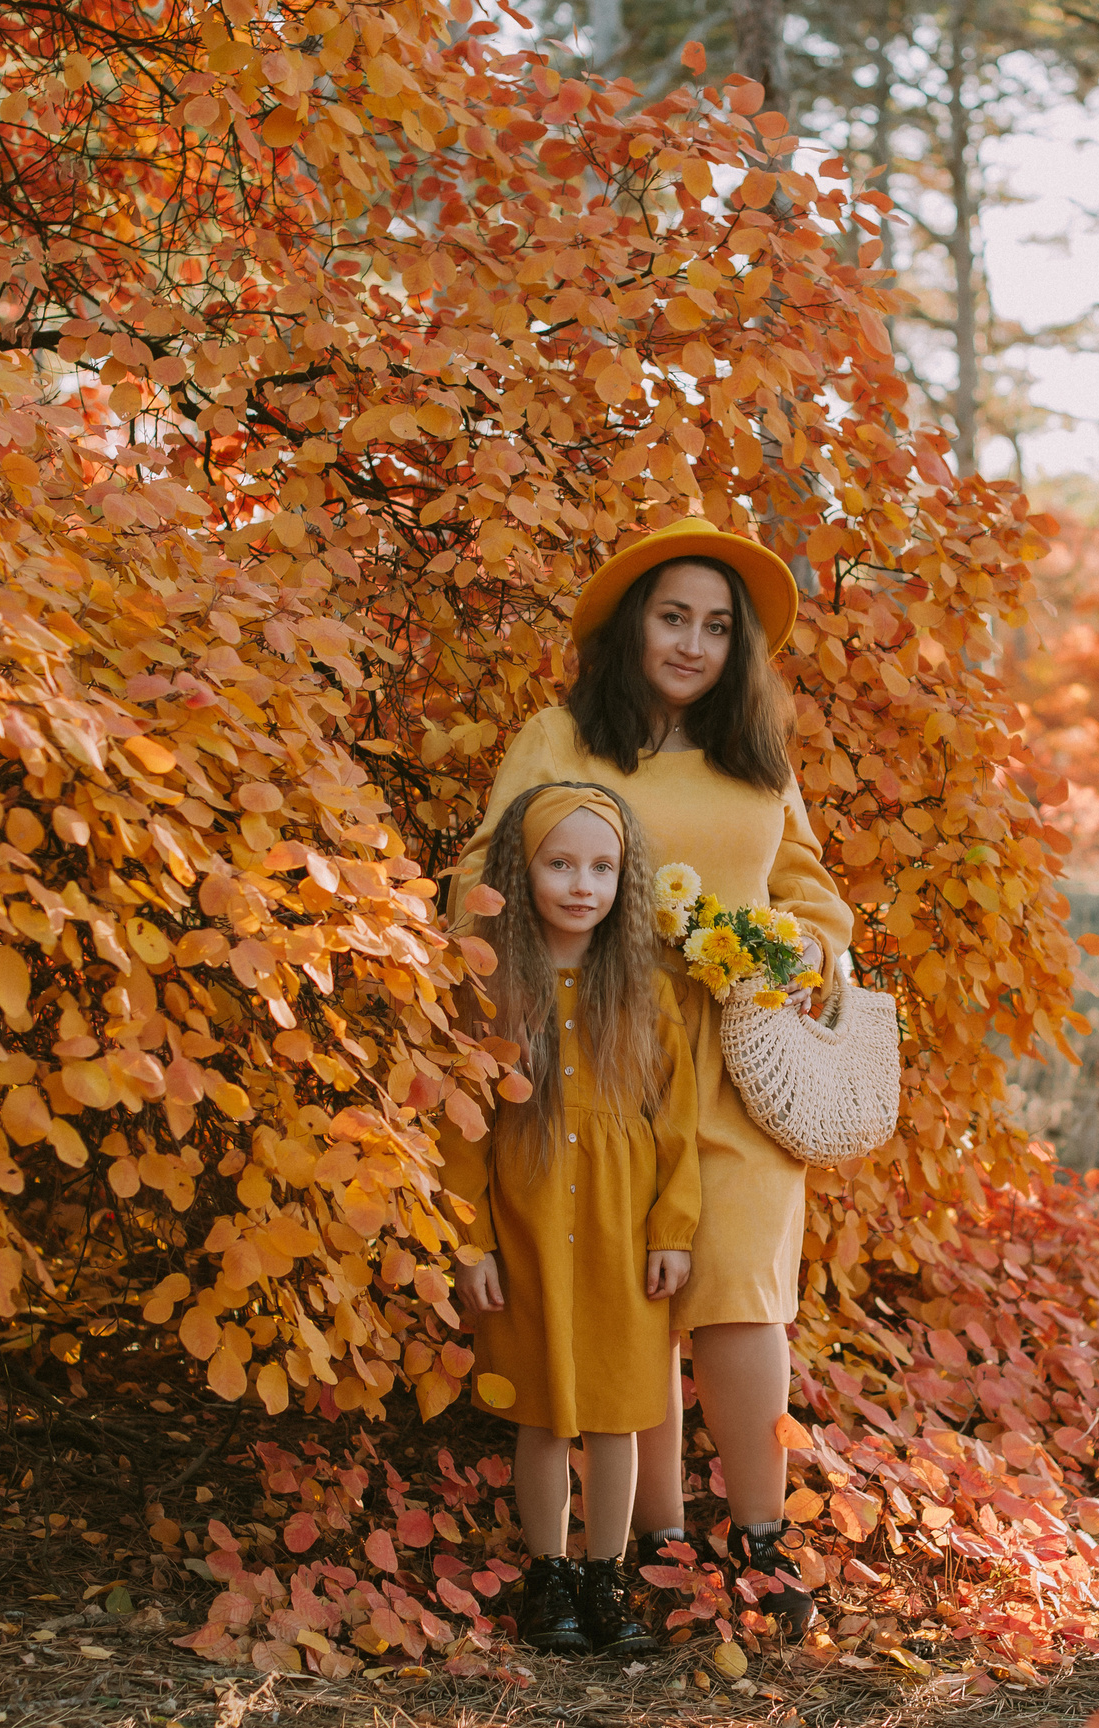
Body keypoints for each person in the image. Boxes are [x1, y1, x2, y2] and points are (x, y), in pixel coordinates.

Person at [448, 517, 852, 1637]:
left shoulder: (756, 760)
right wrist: (521, 993)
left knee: (740, 1294)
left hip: (745, 1049)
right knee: (638, 1290)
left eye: (716, 627)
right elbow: (480, 879)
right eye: (672, 617)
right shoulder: (561, 737)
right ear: (634, 625)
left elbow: (816, 898)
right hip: (604, 1056)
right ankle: (656, 1547)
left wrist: (787, 947)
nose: (691, 643)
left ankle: (762, 1543)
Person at [440, 782, 701, 1655]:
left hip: (625, 1227)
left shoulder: (644, 992)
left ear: (625, 880)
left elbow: (678, 1127)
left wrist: (673, 1230)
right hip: (529, 1216)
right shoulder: (493, 987)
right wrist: (468, 1240)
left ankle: (606, 1574)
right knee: (545, 1409)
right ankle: (547, 1575)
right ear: (525, 870)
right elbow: (464, 1122)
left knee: (622, 1408)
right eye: (561, 864)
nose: (582, 884)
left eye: (602, 867)